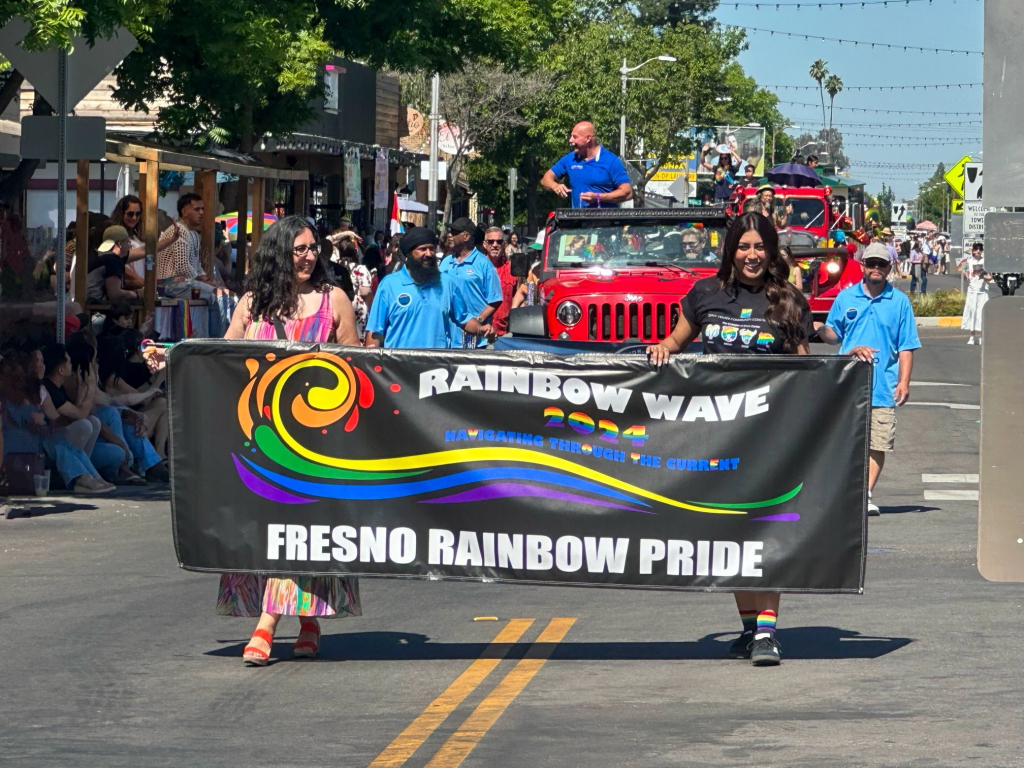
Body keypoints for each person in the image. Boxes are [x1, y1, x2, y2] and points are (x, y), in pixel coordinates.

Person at [648, 213, 815, 667]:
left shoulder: (789, 301)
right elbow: (674, 343)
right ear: (730, 251)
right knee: (733, 533)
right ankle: (747, 627)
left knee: (764, 532)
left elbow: (810, 373)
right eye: (743, 247)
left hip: (769, 439)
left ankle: (767, 631)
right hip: (716, 440)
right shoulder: (706, 294)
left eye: (760, 247)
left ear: (772, 251)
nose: (752, 255)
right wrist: (663, 348)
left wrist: (852, 365)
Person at [220, 215, 360, 666]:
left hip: (315, 445)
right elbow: (218, 359)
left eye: (313, 248)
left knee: (303, 535)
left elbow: (358, 369)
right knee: (266, 535)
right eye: (299, 248)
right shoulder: (252, 305)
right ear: (279, 253)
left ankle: (266, 624)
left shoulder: (334, 300)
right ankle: (306, 619)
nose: (308, 256)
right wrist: (170, 357)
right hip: (259, 444)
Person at [815, 242, 920, 516]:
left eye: (881, 264)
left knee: (878, 442)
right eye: (871, 263)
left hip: (883, 385)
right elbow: (834, 335)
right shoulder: (846, 298)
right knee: (846, 442)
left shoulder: (899, 302)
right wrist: (817, 328)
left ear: (889, 267)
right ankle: (845, 492)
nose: (875, 268)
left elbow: (906, 345)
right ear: (862, 265)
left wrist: (904, 382)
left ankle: (866, 494)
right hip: (847, 385)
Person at [1, 346, 114, 494]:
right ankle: (82, 478)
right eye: (38, 361)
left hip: (36, 444)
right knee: (55, 444)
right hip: (18, 450)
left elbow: (56, 419)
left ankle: (90, 475)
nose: (42, 365)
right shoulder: (9, 394)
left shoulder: (39, 390)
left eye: (42, 361)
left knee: (59, 442)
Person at [365, 227, 493, 349]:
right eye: (422, 249)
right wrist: (369, 362)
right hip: (398, 368)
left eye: (432, 249)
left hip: (438, 367)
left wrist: (480, 329)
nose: (428, 254)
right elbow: (375, 331)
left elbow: (464, 319)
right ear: (409, 253)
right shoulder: (389, 285)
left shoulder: (447, 283)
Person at [157, 192, 236, 337]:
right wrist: (202, 280)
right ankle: (217, 340)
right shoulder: (179, 230)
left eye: (202, 209)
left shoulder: (192, 232)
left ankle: (225, 337)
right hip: (171, 284)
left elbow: (194, 263)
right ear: (184, 211)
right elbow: (182, 267)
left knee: (227, 296)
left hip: (185, 283)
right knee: (217, 296)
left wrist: (204, 277)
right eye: (196, 209)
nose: (201, 213)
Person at [439, 218, 502, 348]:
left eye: (455, 232)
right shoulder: (445, 262)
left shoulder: (484, 265)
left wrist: (477, 321)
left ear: (466, 236)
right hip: (447, 339)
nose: (450, 235)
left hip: (475, 341)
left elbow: (495, 300)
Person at [541, 121, 632, 209]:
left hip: (605, 222)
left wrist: (598, 197)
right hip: (578, 222)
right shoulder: (570, 159)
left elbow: (627, 193)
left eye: (575, 137)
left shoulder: (611, 161)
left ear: (588, 138)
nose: (570, 140)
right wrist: (555, 186)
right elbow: (545, 180)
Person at [86, 226, 144, 304]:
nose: (129, 246)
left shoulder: (100, 256)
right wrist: (137, 294)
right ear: (119, 244)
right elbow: (114, 294)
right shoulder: (113, 260)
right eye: (128, 242)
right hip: (98, 308)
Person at [481, 226, 517, 336]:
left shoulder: (512, 268)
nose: (495, 245)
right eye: (491, 241)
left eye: (499, 241)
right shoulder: (477, 268)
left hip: (505, 332)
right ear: (484, 244)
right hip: (482, 332)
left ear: (504, 244)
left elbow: (518, 297)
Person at [961, 243, 993, 345]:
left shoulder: (986, 262)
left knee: (981, 314)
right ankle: (971, 336)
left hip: (983, 291)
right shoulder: (968, 261)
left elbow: (990, 276)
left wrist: (987, 278)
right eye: (976, 249)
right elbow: (964, 271)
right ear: (973, 251)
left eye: (980, 249)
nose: (978, 251)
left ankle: (981, 336)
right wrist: (965, 274)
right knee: (972, 313)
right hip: (972, 291)